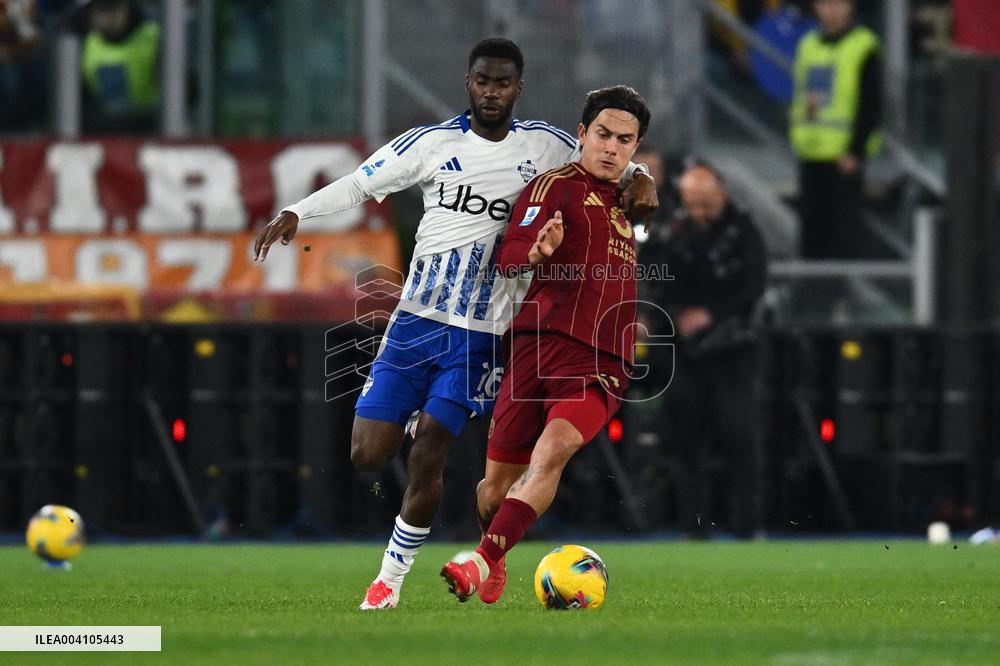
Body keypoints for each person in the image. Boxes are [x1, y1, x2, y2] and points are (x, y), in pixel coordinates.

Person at [253, 39, 658, 610]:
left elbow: (609, 152)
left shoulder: (545, 145)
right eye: (481, 82)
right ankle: (451, 496)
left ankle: (388, 583)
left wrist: (642, 177)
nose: (491, 92)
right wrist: (299, 210)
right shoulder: (431, 144)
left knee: (433, 449)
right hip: (415, 321)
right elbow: (362, 182)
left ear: (519, 89)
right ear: (469, 83)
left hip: (484, 332)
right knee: (369, 455)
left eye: (503, 84)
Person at [439, 84, 650, 604]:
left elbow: (640, 191)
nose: (611, 148)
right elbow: (510, 253)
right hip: (535, 348)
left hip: (601, 357)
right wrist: (534, 252)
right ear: (581, 134)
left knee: (553, 450)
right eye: (602, 134)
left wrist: (643, 180)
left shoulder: (630, 195)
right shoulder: (554, 187)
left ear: (635, 147)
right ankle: (497, 548)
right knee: (493, 491)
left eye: (625, 140)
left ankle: (477, 561)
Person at [640, 161, 767, 539]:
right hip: (686, 353)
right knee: (685, 439)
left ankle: (746, 526)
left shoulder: (744, 231)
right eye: (693, 205)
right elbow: (651, 277)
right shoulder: (672, 231)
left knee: (739, 435)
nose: (700, 214)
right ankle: (693, 527)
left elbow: (753, 287)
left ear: (722, 195)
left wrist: (710, 314)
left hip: (732, 350)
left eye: (706, 206)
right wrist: (664, 315)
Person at [789, 0, 881, 259]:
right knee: (810, 226)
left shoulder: (864, 46)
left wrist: (856, 150)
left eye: (838, 4)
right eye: (825, 4)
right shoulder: (807, 44)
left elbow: (871, 104)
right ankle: (810, 291)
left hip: (843, 157)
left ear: (850, 7)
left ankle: (840, 294)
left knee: (842, 229)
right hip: (809, 151)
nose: (831, 10)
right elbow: (800, 93)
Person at [80, 0, 160, 134]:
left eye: (114, 10)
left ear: (127, 9)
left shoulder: (153, 38)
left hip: (151, 127)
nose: (108, 18)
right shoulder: (84, 44)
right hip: (101, 129)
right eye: (102, 11)